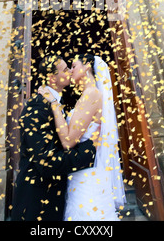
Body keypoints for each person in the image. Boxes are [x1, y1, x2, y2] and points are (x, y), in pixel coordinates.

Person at [10, 55, 99, 221]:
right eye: (65, 69)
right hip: (37, 202)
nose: (70, 72)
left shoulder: (57, 103)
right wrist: (88, 152)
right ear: (52, 78)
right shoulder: (37, 106)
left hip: (54, 197)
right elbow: (46, 161)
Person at [38, 54, 126, 221]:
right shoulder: (88, 94)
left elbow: (69, 141)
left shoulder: (91, 94)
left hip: (87, 176)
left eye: (73, 66)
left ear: (86, 67)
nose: (71, 71)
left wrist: (54, 104)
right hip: (83, 170)